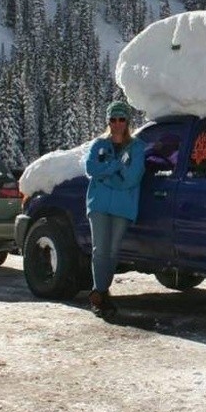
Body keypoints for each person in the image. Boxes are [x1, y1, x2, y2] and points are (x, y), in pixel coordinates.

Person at [84, 100, 145, 318]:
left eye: (121, 119)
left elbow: (133, 177)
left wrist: (107, 175)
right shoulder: (99, 145)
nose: (117, 124)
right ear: (108, 121)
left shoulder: (137, 147)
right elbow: (91, 168)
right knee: (100, 250)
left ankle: (101, 292)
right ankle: (99, 293)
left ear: (128, 121)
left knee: (112, 251)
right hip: (99, 205)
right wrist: (117, 167)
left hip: (123, 206)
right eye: (113, 119)